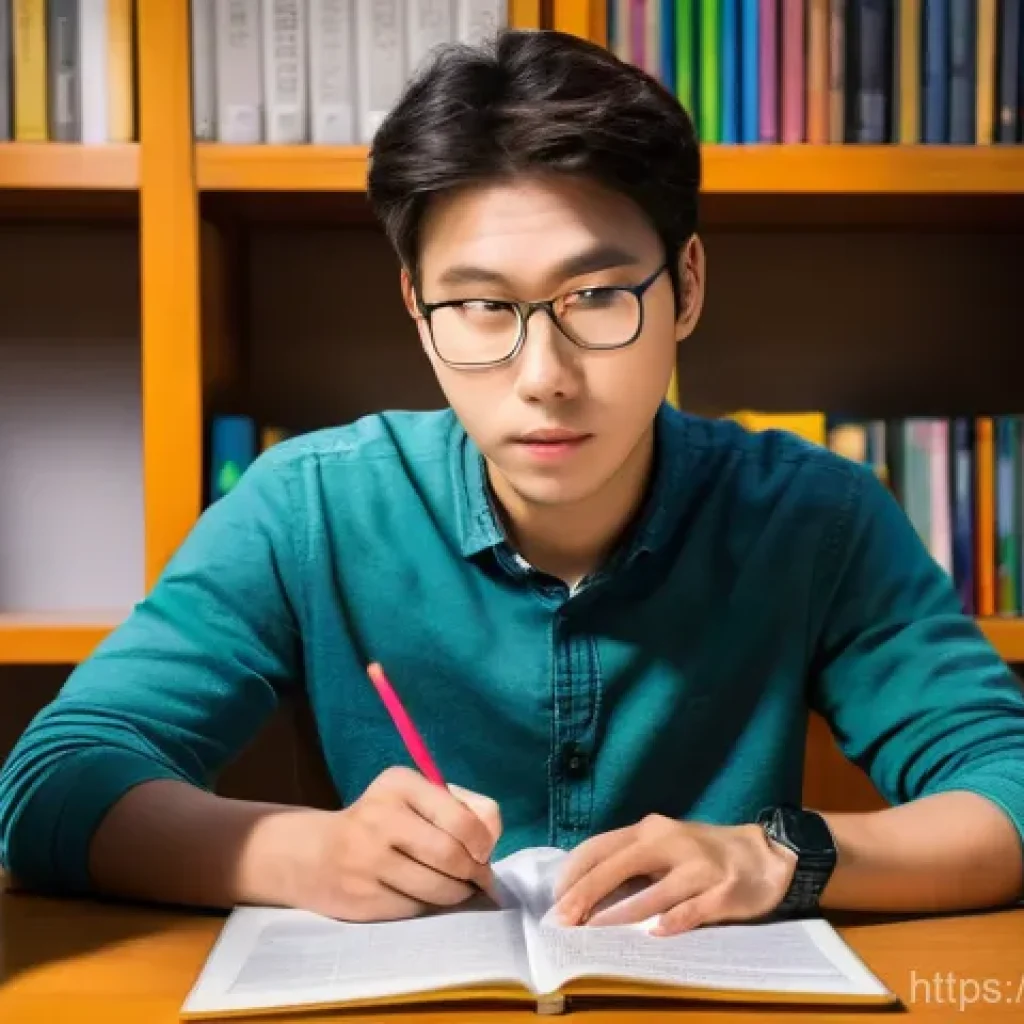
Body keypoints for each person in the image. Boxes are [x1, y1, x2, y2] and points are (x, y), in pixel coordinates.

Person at [1, 29, 1023, 937]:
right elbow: (51, 782)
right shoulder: (309, 505)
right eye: (481, 306)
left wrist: (778, 856)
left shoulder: (814, 516)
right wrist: (296, 852)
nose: (544, 376)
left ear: (686, 286)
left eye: (597, 295)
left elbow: (1007, 785)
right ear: (417, 307)